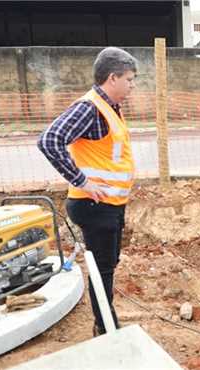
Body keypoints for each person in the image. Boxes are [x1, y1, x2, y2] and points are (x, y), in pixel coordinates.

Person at [37, 47, 137, 336]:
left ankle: (106, 321)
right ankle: (105, 327)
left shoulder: (110, 108)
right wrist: (81, 181)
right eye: (129, 79)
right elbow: (50, 140)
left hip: (109, 205)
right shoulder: (90, 108)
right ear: (112, 77)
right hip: (94, 206)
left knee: (107, 264)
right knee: (102, 267)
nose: (132, 85)